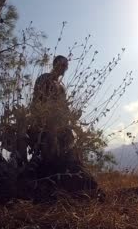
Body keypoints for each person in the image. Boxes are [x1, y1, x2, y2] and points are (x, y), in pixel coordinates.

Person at [28, 56, 97, 192]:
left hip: (61, 127)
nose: (64, 68)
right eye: (62, 64)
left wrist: (72, 118)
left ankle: (73, 184)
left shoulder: (62, 87)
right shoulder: (44, 79)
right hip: (45, 126)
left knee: (70, 148)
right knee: (46, 157)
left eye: (66, 65)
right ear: (55, 64)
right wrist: (39, 121)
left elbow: (65, 108)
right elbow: (36, 101)